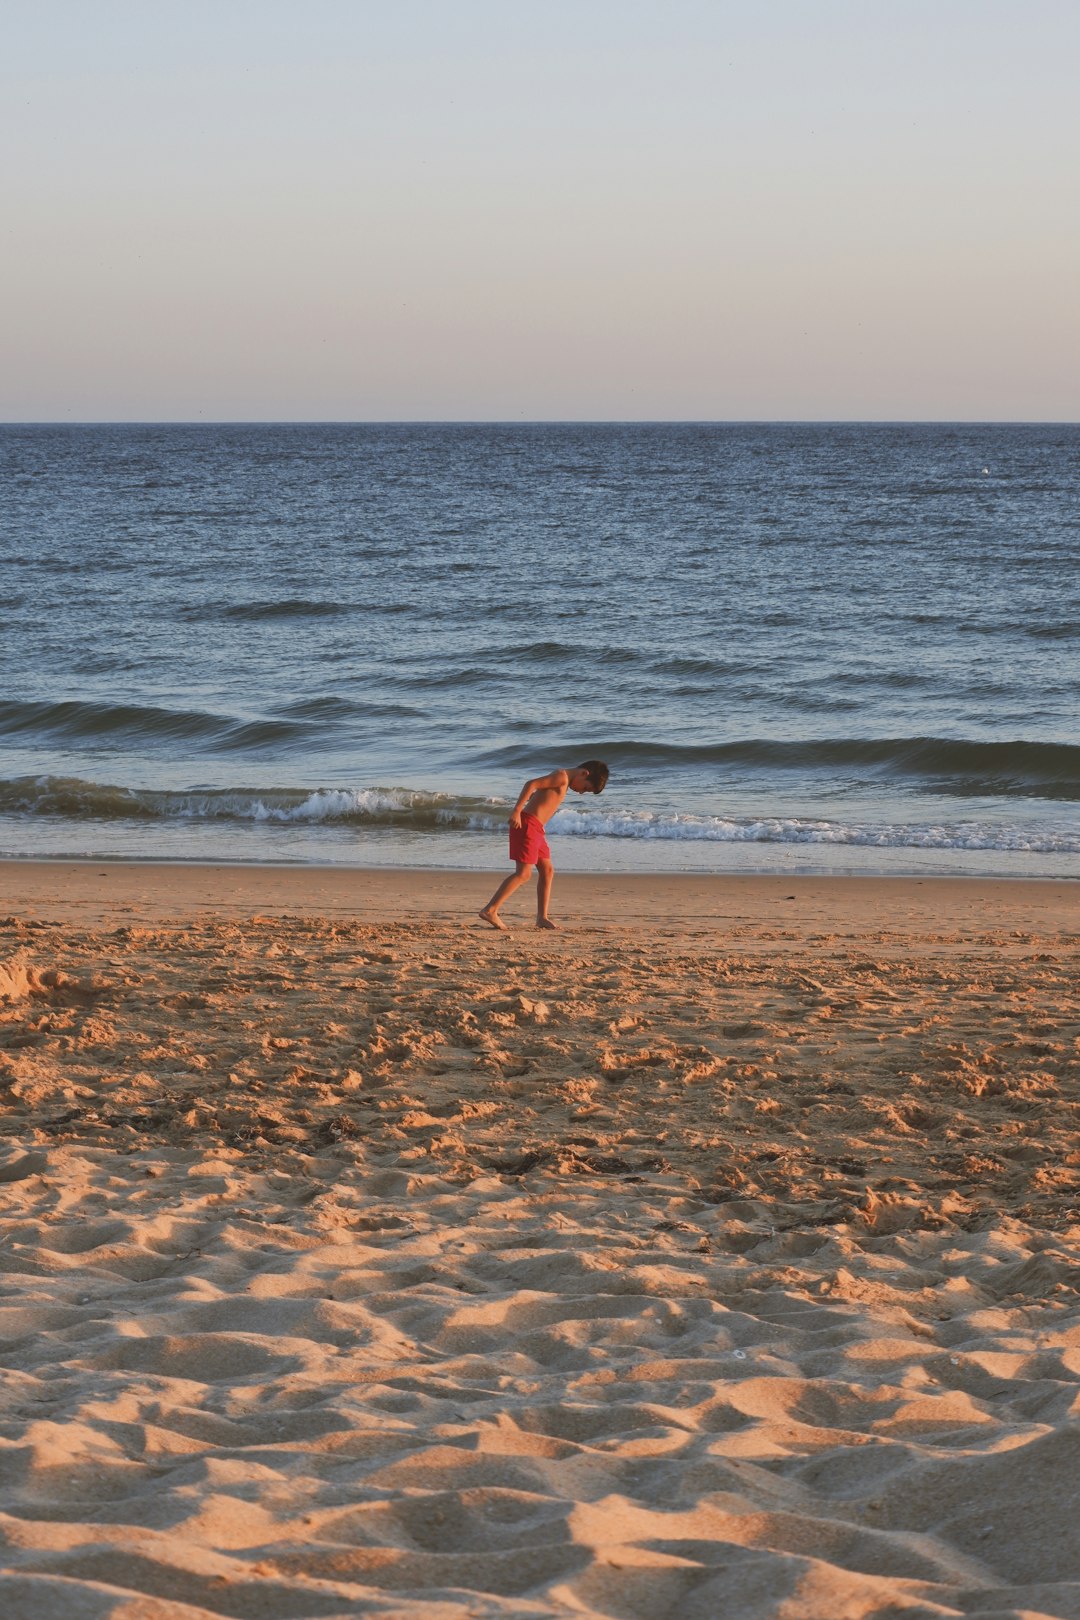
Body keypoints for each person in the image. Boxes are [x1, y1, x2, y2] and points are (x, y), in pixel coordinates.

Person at [479, 760, 609, 931]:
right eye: (585, 788)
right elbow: (531, 784)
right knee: (524, 873)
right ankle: (491, 909)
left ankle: (542, 918)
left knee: (547, 870)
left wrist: (536, 800)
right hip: (527, 825)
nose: (581, 793)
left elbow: (539, 793)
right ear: (584, 773)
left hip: (537, 828)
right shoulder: (561, 777)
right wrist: (517, 810)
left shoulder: (562, 780)